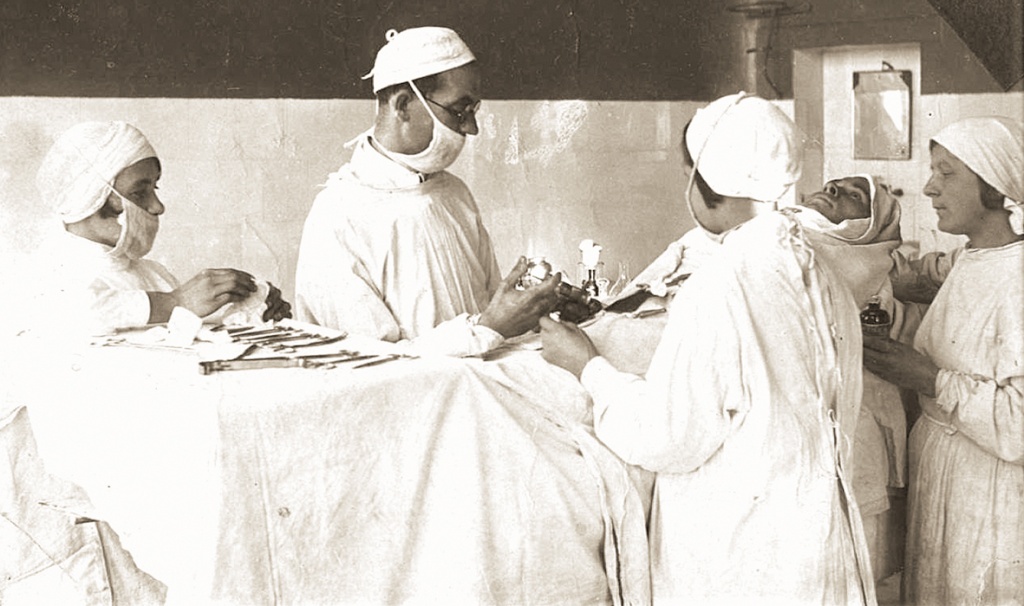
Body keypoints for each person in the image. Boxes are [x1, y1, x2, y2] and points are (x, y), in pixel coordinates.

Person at [540, 93, 875, 604]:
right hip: (815, 544)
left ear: (705, 179)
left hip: (741, 557)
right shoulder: (823, 275)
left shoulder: (721, 285)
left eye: (687, 173)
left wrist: (587, 366)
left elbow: (667, 438)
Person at [294, 27, 569, 357]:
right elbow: (370, 364)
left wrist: (529, 312)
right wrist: (488, 329)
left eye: (473, 111)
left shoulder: (453, 193)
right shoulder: (338, 216)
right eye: (458, 111)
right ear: (403, 105)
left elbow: (491, 318)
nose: (471, 128)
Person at [862, 116, 1024, 605]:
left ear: (994, 184)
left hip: (992, 492)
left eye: (947, 173)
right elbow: (926, 277)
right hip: (946, 477)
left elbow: (1018, 425)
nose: (930, 187)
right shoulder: (972, 257)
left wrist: (929, 379)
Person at [32, 120, 291, 336]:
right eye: (139, 193)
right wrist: (176, 302)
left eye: (154, 188)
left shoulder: (155, 275)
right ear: (88, 198)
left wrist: (252, 310)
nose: (157, 207)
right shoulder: (47, 276)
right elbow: (79, 312)